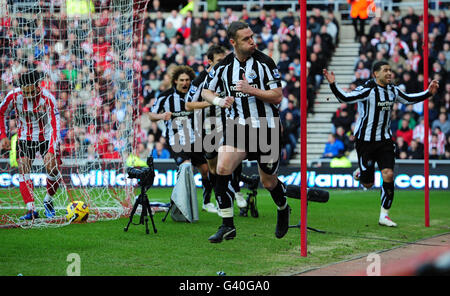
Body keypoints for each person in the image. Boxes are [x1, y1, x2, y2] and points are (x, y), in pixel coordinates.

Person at [201, 21, 314, 243]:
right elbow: (205, 90)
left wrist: (250, 89)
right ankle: (227, 225)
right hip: (238, 127)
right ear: (233, 42)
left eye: (252, 36)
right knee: (221, 168)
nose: (252, 41)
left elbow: (278, 96)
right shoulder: (223, 66)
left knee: (269, 182)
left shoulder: (265, 62)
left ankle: (283, 208)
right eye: (246, 38)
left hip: (266, 128)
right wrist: (219, 100)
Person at [323, 61, 439, 227]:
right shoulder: (367, 89)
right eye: (385, 70)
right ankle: (361, 173)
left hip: (385, 140)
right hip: (365, 142)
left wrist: (428, 93)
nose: (389, 73)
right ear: (375, 74)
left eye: (390, 70)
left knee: (388, 174)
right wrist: (333, 84)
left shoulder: (392, 89)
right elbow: (345, 98)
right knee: (367, 183)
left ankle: (384, 215)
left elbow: (408, 99)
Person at [185, 44, 248, 214]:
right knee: (213, 168)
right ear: (209, 61)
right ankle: (222, 199)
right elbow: (188, 105)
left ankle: (237, 192)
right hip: (208, 130)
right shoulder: (200, 81)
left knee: (233, 158)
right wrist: (212, 100)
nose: (224, 63)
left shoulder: (230, 75)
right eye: (219, 61)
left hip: (229, 125)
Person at [147, 65, 213, 211]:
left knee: (205, 170)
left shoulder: (195, 95)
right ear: (175, 81)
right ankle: (181, 204)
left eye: (188, 80)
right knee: (185, 167)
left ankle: (206, 202)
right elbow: (151, 115)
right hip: (175, 139)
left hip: (195, 139)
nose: (185, 83)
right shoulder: (166, 96)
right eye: (182, 80)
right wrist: (161, 116)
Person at [0, 71, 62, 220]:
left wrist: (52, 148)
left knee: (51, 167)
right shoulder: (13, 96)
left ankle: (48, 199)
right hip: (24, 138)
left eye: (32, 92)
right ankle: (31, 210)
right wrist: (3, 136)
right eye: (25, 92)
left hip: (46, 137)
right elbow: (1, 113)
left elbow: (55, 125)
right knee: (23, 168)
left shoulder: (48, 98)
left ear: (38, 86)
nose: (28, 96)